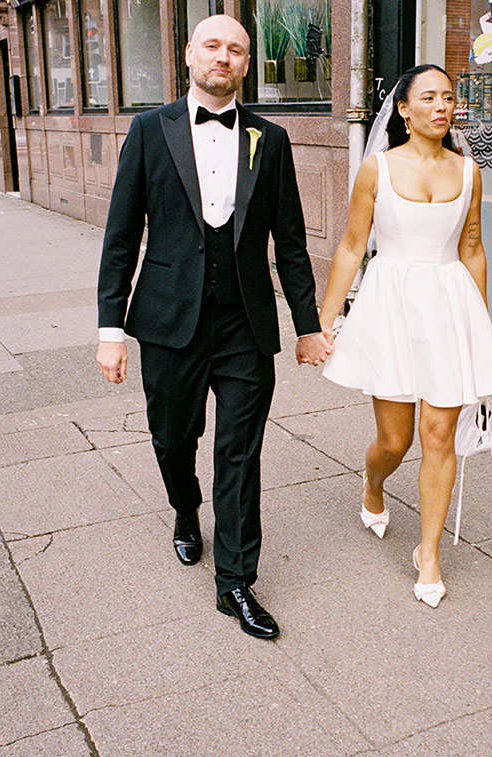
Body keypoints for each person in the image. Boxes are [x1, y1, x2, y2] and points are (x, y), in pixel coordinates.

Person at [95, 14, 330, 639]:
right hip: (170, 320)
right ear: (191, 55)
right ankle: (183, 508)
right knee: (174, 438)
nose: (223, 57)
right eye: (213, 46)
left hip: (246, 324)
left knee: (240, 453)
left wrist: (307, 325)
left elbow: (292, 242)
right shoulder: (149, 130)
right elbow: (121, 238)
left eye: (236, 50)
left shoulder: (270, 139)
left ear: (247, 65)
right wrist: (109, 330)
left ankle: (235, 584)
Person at [317, 65, 492, 608]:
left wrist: (484, 326)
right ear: (403, 109)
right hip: (392, 303)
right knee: (396, 442)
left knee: (440, 435)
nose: (442, 107)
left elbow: (472, 249)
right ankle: (374, 483)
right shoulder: (376, 169)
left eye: (449, 98)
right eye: (429, 98)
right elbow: (353, 246)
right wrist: (323, 322)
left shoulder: (469, 172)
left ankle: (430, 553)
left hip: (449, 305)